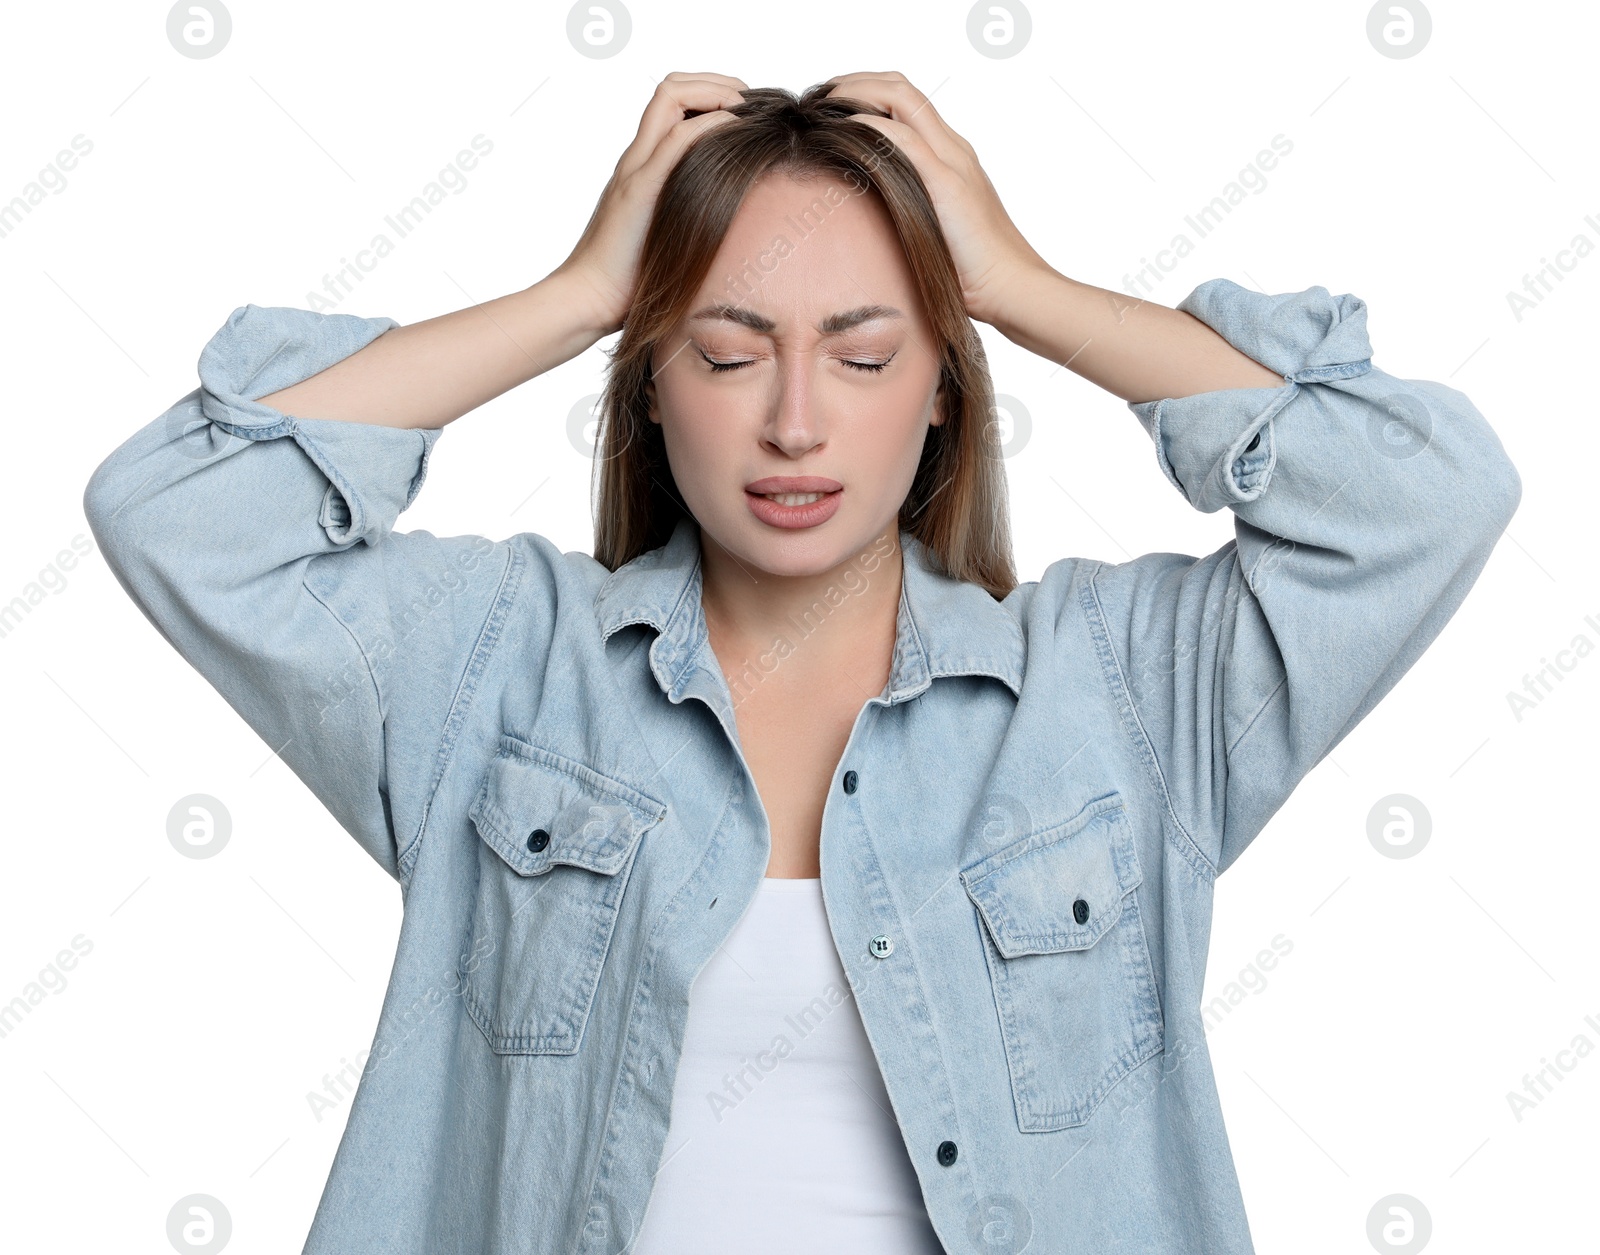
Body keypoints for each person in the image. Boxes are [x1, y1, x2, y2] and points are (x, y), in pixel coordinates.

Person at [83, 72, 1520, 1254]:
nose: (793, 423)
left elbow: (1423, 495)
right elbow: (178, 511)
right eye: (723, 353)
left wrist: (1021, 284)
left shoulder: (1117, 697)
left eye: (863, 352)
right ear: (650, 387)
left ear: (946, 389)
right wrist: (583, 291)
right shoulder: (498, 671)